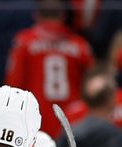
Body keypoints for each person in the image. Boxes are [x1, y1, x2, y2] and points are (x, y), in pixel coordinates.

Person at [5, 0, 94, 137]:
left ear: (36, 15)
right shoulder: (80, 45)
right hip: (72, 119)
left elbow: (13, 86)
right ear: (63, 16)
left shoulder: (24, 42)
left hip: (35, 118)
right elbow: (92, 85)